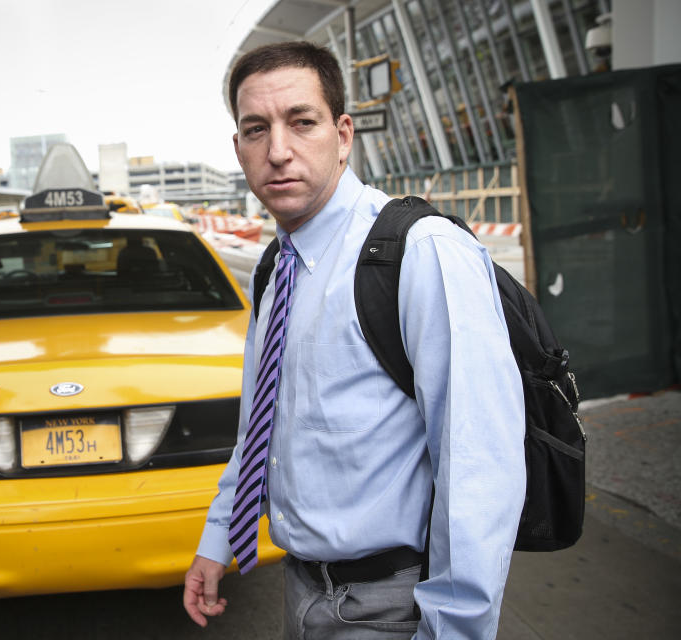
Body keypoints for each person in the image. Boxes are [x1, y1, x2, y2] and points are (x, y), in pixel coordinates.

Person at [183, 41, 526, 639]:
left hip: (394, 608)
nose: (279, 151)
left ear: (343, 135)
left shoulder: (418, 253)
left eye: (302, 122)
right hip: (302, 592)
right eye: (256, 129)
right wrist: (217, 539)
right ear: (237, 149)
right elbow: (260, 427)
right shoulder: (275, 270)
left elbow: (480, 467)